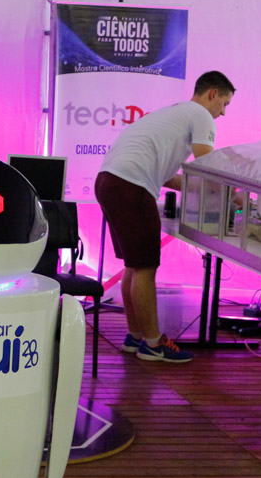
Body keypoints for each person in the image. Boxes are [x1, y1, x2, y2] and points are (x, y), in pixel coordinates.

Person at [95, 70, 236, 364]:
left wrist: (213, 191)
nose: (223, 113)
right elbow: (207, 164)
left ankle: (136, 336)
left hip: (109, 182)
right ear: (213, 93)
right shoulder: (201, 114)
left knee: (134, 265)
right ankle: (153, 343)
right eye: (224, 104)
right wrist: (233, 192)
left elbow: (172, 178)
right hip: (131, 185)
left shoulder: (174, 114)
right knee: (145, 267)